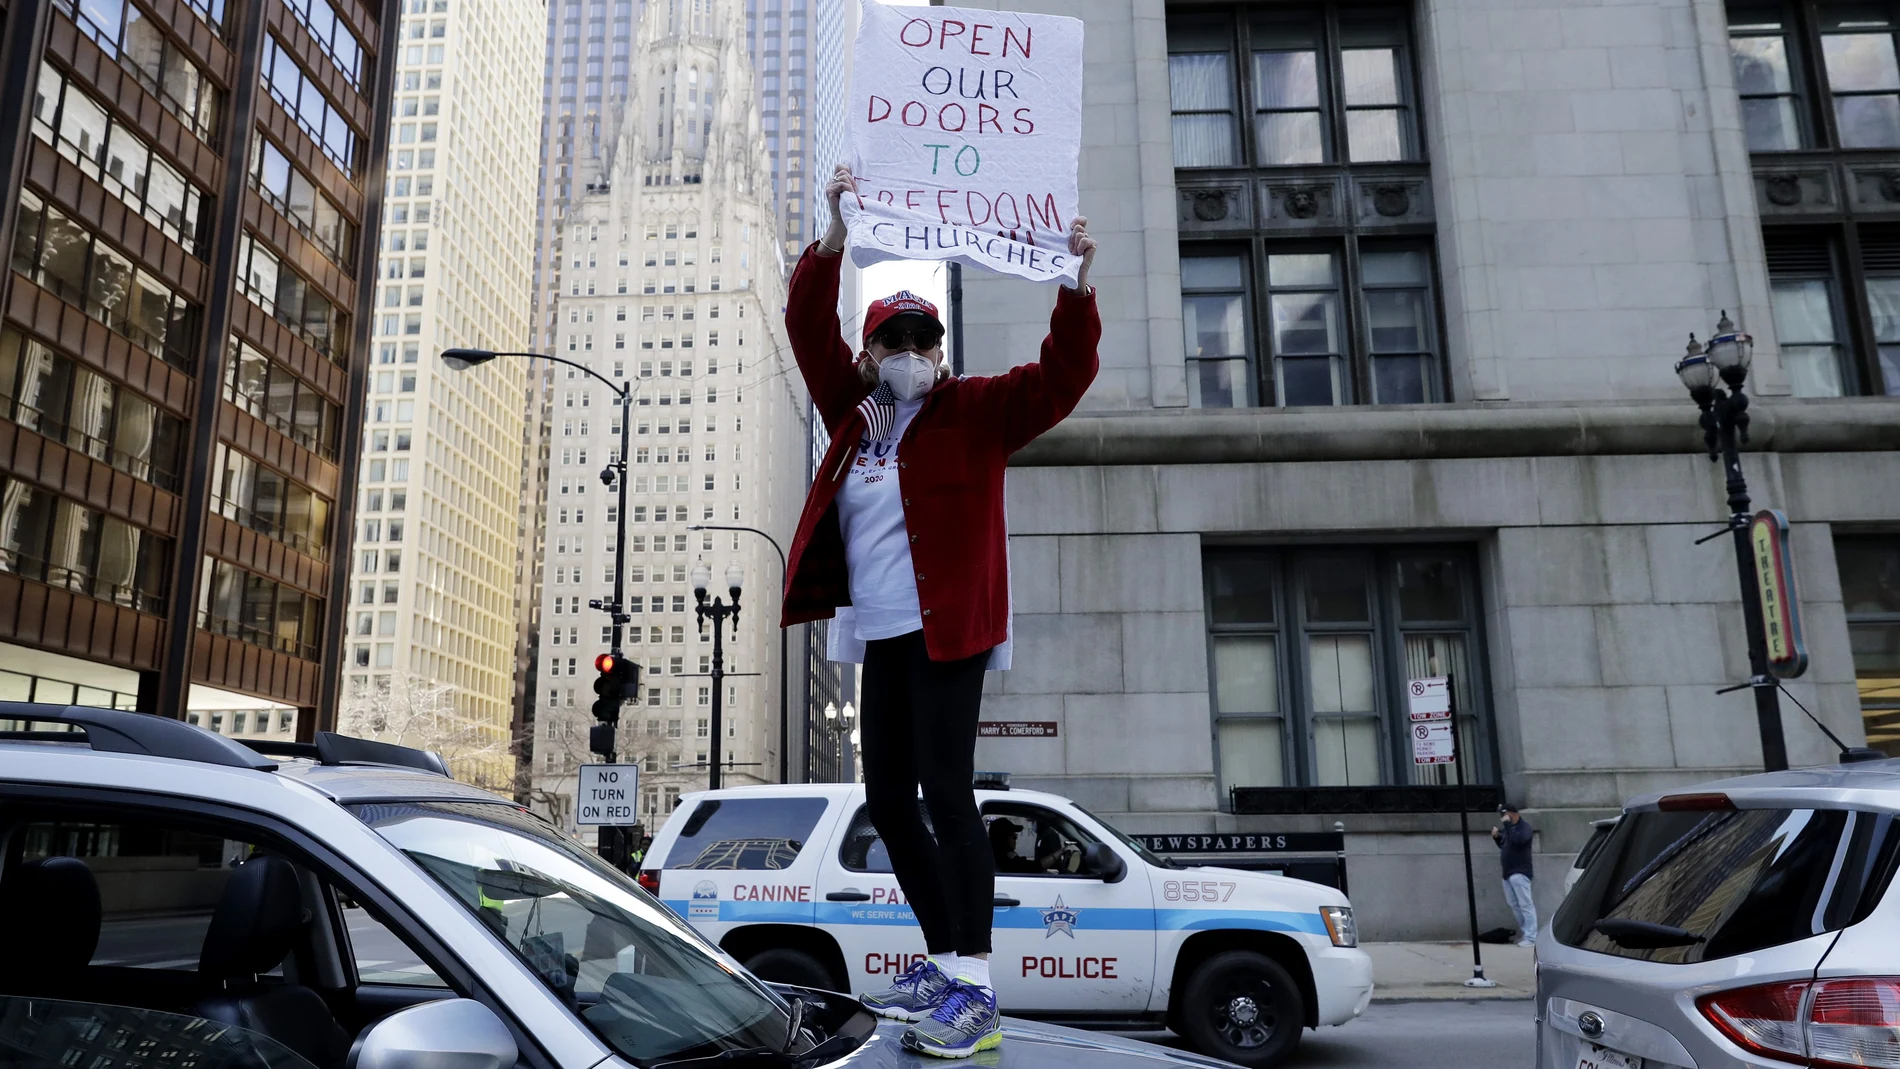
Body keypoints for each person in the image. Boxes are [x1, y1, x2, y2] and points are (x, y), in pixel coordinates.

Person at [779, 164, 1099, 1059]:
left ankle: (980, 991)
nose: (909, 348)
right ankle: (943, 962)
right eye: (894, 337)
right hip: (881, 632)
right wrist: (835, 237)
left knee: (948, 799)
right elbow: (806, 325)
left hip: (951, 631)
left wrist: (1075, 286)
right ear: (872, 351)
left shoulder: (979, 409)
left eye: (923, 336)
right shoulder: (854, 412)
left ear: (942, 350)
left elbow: (1062, 377)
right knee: (887, 798)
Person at [1491, 804, 1536, 947]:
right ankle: (1526, 933)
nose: (1503, 818)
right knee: (1514, 905)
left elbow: (1519, 841)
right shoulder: (1508, 829)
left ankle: (1532, 936)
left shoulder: (1524, 828)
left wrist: (1508, 825)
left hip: (1520, 873)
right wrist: (1497, 837)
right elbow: (1505, 845)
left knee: (1526, 905)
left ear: (1513, 814)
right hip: (1508, 873)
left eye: (1505, 814)